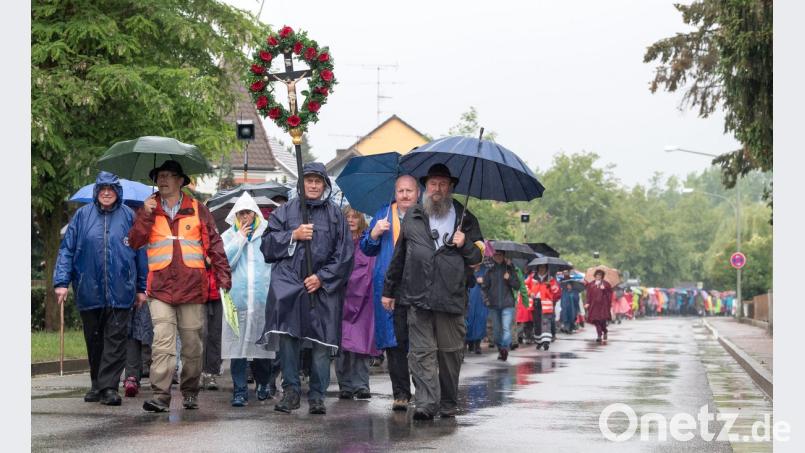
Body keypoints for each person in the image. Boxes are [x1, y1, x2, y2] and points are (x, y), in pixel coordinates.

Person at [129, 160, 232, 413]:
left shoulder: (198, 210)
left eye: (167, 176)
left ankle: (189, 390)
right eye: (158, 176)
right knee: (162, 343)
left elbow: (215, 244)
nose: (162, 180)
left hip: (191, 289)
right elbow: (134, 242)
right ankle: (160, 395)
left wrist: (223, 276)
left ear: (180, 180)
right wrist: (145, 214)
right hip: (160, 289)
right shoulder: (149, 210)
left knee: (192, 346)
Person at [382, 163, 483, 421]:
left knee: (450, 353)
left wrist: (465, 243)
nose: (437, 189)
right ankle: (426, 403)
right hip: (417, 295)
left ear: (450, 187)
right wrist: (389, 290)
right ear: (426, 187)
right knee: (421, 352)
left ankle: (448, 402)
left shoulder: (465, 217)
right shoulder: (414, 215)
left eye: (443, 184)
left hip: (451, 297)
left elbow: (477, 260)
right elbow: (400, 256)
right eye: (433, 184)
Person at [259, 162, 354, 415]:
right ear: (301, 184)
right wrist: (293, 235)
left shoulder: (335, 215)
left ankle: (317, 395)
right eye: (308, 180)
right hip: (289, 285)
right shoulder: (285, 212)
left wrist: (322, 278)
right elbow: (267, 244)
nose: (313, 185)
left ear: (324, 185)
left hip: (322, 288)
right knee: (289, 339)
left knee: (322, 342)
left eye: (317, 181)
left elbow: (344, 254)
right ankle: (291, 392)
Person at [54, 171, 148, 406]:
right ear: (97, 192)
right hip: (89, 289)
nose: (107, 193)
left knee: (115, 341)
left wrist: (141, 288)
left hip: (121, 290)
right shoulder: (81, 216)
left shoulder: (129, 216)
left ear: (118, 192)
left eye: (111, 189)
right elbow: (66, 250)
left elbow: (140, 253)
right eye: (103, 189)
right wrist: (61, 282)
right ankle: (97, 383)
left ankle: (109, 388)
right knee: (94, 340)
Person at [360, 174, 420, 411]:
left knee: (418, 341)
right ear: (395, 193)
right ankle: (401, 394)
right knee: (394, 343)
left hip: (416, 287)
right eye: (400, 191)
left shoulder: (423, 216)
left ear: (418, 193)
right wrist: (374, 233)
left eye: (409, 191)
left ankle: (423, 390)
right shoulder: (383, 215)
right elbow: (366, 248)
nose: (405, 195)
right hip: (388, 288)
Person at [220, 193, 276, 407]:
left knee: (262, 345)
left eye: (248, 212)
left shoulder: (267, 234)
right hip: (238, 302)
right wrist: (240, 239)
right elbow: (226, 263)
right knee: (238, 349)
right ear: (235, 215)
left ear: (255, 214)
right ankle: (239, 390)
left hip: (262, 300)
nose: (245, 217)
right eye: (241, 213)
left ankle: (263, 384)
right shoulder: (228, 235)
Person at [336, 207, 378, 400]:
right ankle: (345, 385)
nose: (351, 220)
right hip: (342, 298)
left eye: (355, 217)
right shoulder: (338, 242)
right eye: (347, 217)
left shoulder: (368, 242)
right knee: (342, 344)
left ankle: (361, 384)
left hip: (364, 299)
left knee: (362, 343)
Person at [481, 251, 519, 361]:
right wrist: (486, 300)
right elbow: (484, 288)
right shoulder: (489, 271)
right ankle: (501, 349)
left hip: (508, 304)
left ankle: (504, 348)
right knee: (497, 332)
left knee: (506, 328)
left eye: (500, 255)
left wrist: (509, 279)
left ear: (503, 256)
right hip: (493, 304)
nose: (498, 257)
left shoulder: (510, 269)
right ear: (493, 256)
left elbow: (517, 286)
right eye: (496, 255)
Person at [200, 255, 223, 391]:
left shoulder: (219, 239)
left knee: (215, 334)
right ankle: (197, 372)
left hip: (217, 293)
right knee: (200, 334)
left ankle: (211, 373)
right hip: (198, 291)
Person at [526, 264, 560, 346]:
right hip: (535, 302)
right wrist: (530, 293)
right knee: (537, 322)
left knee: (546, 321)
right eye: (540, 267)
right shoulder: (532, 277)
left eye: (543, 267)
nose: (542, 269)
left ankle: (546, 341)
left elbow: (557, 291)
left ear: (546, 268)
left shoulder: (551, 279)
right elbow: (525, 286)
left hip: (546, 304)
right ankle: (538, 341)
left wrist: (550, 286)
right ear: (537, 268)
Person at [464, 262, 488, 355]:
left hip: (481, 301)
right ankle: (469, 344)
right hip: (469, 300)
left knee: (480, 321)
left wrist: (484, 281)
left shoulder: (485, 271)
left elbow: (491, 284)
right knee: (469, 321)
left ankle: (477, 345)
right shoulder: (467, 270)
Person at [585, 269, 613, 343]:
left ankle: (605, 331)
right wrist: (587, 302)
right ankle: (599, 335)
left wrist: (604, 290)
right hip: (594, 305)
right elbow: (588, 295)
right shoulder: (591, 284)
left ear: (602, 276)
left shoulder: (606, 284)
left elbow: (610, 294)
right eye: (597, 275)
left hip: (603, 306)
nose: (598, 276)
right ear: (595, 276)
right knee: (596, 321)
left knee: (602, 321)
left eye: (600, 275)